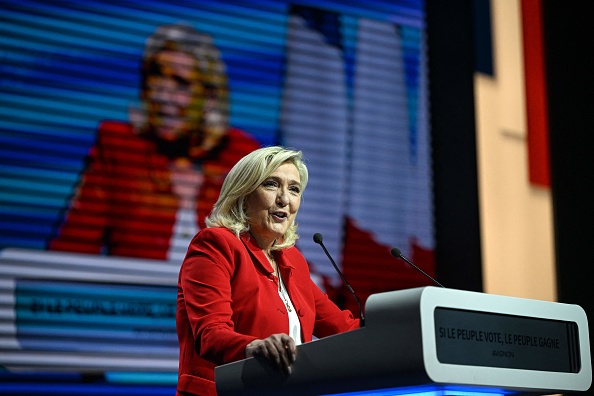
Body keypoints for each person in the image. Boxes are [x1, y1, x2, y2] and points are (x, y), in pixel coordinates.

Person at [48, 23, 261, 262]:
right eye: (156, 78)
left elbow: (276, 256)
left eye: (181, 83)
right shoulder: (119, 146)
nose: (162, 96)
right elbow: (70, 251)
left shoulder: (241, 156)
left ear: (210, 98)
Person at [176, 146, 360, 396]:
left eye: (294, 189)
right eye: (272, 185)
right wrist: (254, 346)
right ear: (243, 193)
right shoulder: (216, 244)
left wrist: (401, 326)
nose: (284, 199)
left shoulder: (293, 261)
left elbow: (343, 329)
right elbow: (210, 334)